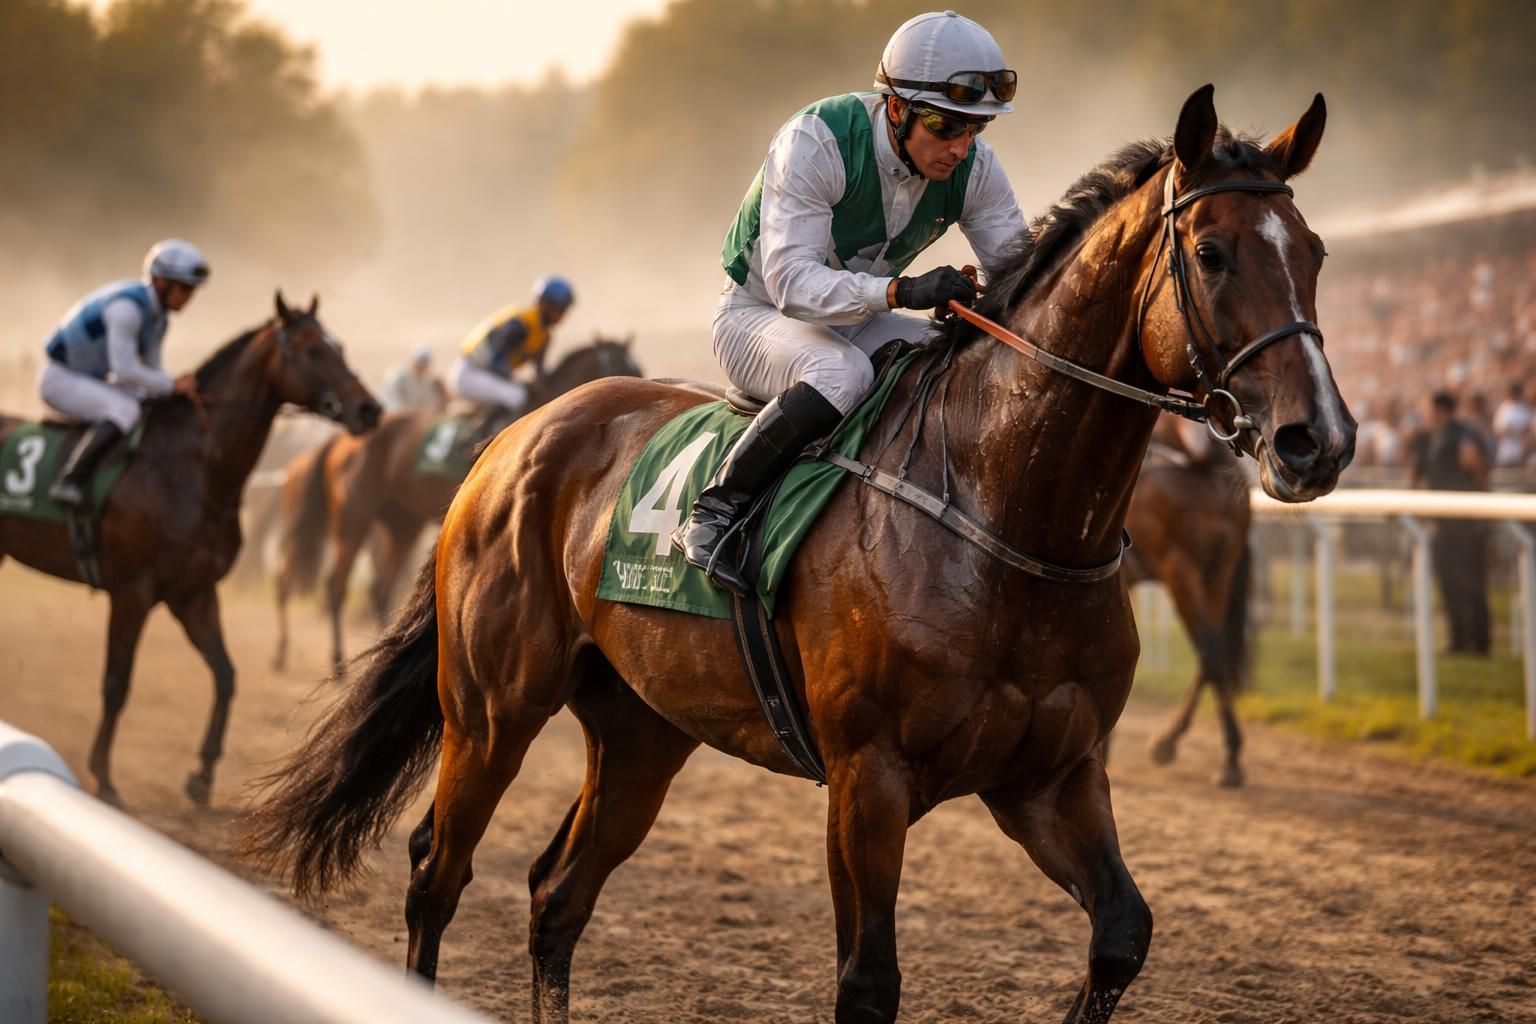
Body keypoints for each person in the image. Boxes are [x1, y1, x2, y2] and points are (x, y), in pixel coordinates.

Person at [671, 10, 1024, 593]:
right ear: (896, 108)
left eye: (976, 128)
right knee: (841, 371)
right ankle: (715, 510)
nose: (960, 147)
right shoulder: (818, 140)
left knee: (959, 362)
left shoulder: (975, 167)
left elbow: (1019, 271)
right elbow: (791, 285)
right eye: (944, 125)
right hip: (756, 316)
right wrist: (903, 291)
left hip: (857, 320)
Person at [39, 239, 209, 507]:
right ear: (161, 281)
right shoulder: (127, 309)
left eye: (192, 290)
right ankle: (70, 481)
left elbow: (152, 373)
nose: (189, 297)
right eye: (184, 288)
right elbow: (125, 369)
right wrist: (172, 385)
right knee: (125, 411)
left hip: (90, 379)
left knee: (147, 404)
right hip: (60, 378)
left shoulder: (160, 320)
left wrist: (173, 391)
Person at [1409, 391, 1493, 655]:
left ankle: (1480, 643)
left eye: (1427, 409)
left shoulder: (1463, 434)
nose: (1424, 414)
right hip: (1442, 522)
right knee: (1448, 582)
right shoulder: (1426, 438)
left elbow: (1478, 467)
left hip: (1467, 522)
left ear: (1441, 410)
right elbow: (1419, 475)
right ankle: (1458, 641)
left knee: (1472, 582)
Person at [450, 275, 574, 416]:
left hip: (486, 376)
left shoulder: (544, 336)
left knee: (523, 395)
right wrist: (521, 383)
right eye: (559, 310)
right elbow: (496, 363)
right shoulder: (519, 324)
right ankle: (494, 430)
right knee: (517, 396)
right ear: (545, 305)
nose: (562, 316)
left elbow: (539, 375)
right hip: (470, 373)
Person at [382, 345, 447, 414]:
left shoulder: (429, 380)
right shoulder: (397, 378)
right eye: (419, 363)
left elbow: (436, 405)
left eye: (424, 364)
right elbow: (393, 407)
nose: (421, 367)